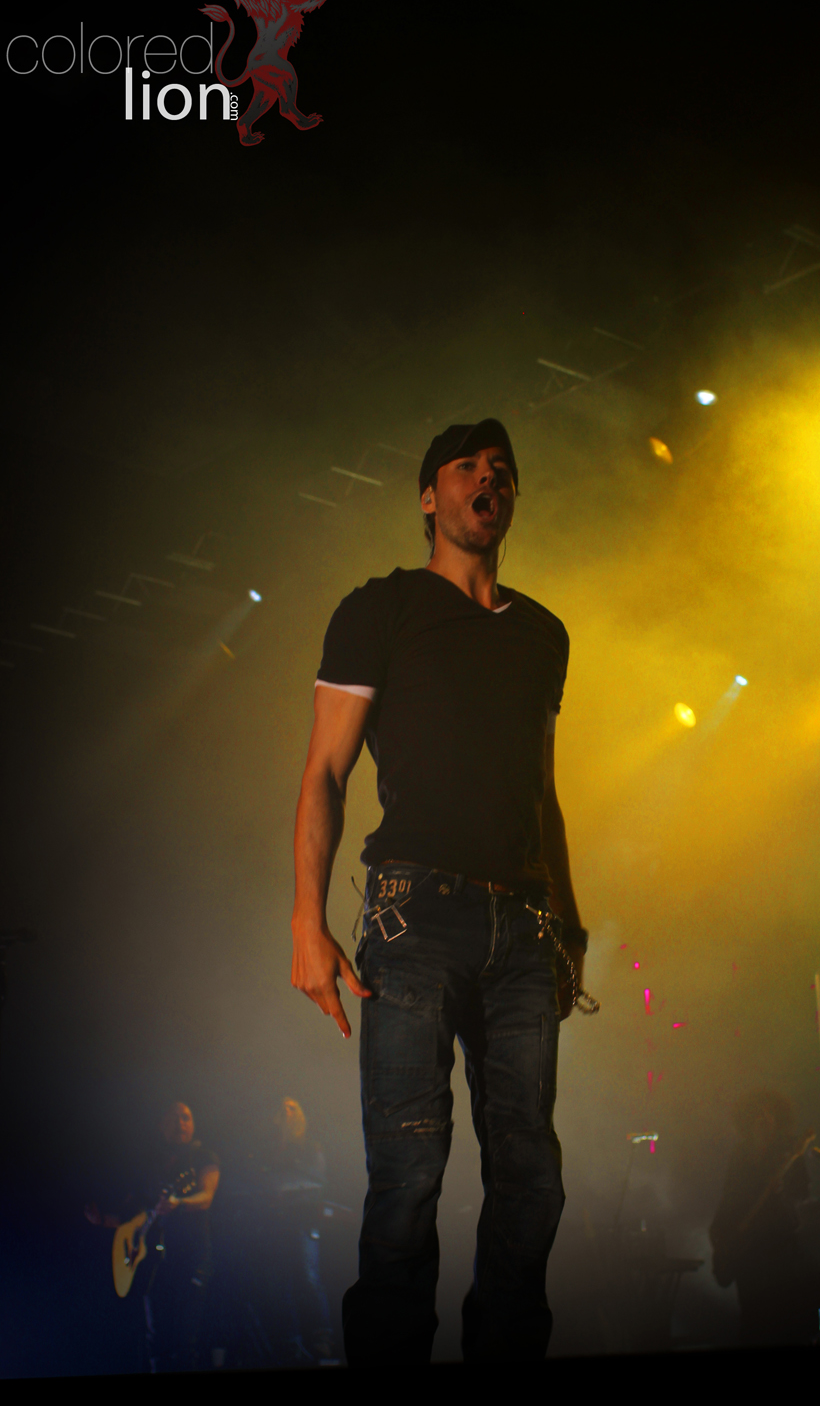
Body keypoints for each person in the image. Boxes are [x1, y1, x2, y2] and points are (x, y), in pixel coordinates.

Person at [290, 418, 591, 1364]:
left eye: (501, 469)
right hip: (412, 916)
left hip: (525, 927)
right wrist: (306, 917)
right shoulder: (380, 609)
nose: (485, 479)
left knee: (531, 1181)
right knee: (409, 1174)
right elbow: (325, 771)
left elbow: (542, 790)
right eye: (466, 467)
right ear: (430, 497)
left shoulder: (543, 634)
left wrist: (572, 921)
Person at [86, 1101, 220, 1372]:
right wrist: (102, 1220)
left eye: (186, 1117)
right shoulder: (151, 1165)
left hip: (191, 1258)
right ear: (161, 1126)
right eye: (174, 1118)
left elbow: (206, 1196)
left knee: (185, 1340)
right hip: (156, 1264)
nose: (181, 1123)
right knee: (156, 1341)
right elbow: (135, 1216)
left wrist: (178, 1203)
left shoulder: (203, 1157)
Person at [709, 1089, 820, 1346]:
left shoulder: (789, 1149)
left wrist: (782, 1194)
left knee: (784, 1321)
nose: (764, 1117)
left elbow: (802, 1197)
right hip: (749, 1255)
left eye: (769, 1112)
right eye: (758, 1113)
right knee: (754, 1321)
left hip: (780, 1252)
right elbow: (729, 1199)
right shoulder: (740, 1154)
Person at [259, 1097, 337, 1362]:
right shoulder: (268, 1148)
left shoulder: (310, 1146)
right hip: (275, 1223)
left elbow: (318, 1181)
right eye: (282, 1108)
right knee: (279, 1281)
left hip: (303, 1220)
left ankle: (321, 1336)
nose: (286, 1112)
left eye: (291, 1108)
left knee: (307, 1276)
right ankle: (289, 1340)